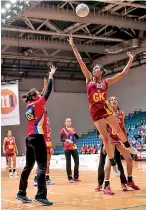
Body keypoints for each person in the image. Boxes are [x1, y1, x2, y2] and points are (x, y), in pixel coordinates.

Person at [68, 34, 138, 174]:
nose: (94, 70)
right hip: (95, 112)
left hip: (105, 109)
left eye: (97, 69)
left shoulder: (106, 82)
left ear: (101, 72)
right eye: (93, 69)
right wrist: (73, 46)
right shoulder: (89, 79)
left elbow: (123, 74)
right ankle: (113, 165)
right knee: (105, 138)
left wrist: (130, 60)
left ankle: (129, 146)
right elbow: (80, 61)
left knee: (118, 129)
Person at [16, 65, 56, 206]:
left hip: (28, 138)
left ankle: (21, 192)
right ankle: (40, 195)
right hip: (38, 138)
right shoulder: (38, 104)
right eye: (39, 93)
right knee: (41, 166)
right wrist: (51, 75)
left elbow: (43, 94)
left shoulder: (28, 106)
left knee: (28, 166)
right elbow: (48, 91)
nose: (41, 94)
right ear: (34, 97)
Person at [95, 96, 140, 195]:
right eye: (112, 100)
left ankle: (130, 180)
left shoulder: (121, 114)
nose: (114, 101)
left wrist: (126, 141)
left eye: (115, 100)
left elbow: (122, 127)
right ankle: (106, 185)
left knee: (128, 159)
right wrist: (104, 143)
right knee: (109, 161)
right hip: (110, 139)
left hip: (119, 140)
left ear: (117, 102)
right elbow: (104, 129)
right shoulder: (106, 114)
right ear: (109, 103)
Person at [33, 78, 54, 186]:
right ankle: (36, 178)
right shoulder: (38, 118)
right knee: (41, 162)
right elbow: (42, 96)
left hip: (48, 142)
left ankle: (47, 178)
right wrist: (45, 86)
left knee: (48, 162)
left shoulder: (47, 122)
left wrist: (52, 147)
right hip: (42, 141)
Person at [60, 118, 80, 183]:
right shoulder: (63, 130)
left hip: (74, 148)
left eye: (70, 121)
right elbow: (61, 140)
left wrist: (73, 132)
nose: (69, 122)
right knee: (68, 163)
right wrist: (66, 140)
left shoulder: (73, 129)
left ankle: (76, 177)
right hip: (67, 148)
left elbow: (77, 137)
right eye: (68, 121)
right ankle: (70, 178)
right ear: (65, 122)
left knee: (77, 162)